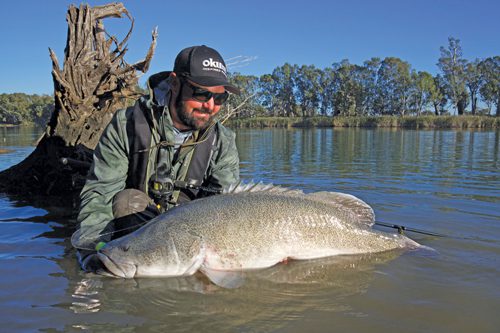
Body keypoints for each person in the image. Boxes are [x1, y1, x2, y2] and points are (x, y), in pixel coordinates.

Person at [72, 45, 241, 271]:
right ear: (174, 83)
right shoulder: (126, 125)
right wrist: (92, 250)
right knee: (126, 201)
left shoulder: (224, 140)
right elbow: (100, 195)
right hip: (138, 225)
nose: (210, 105)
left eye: (220, 98)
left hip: (191, 232)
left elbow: (229, 207)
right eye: (201, 93)